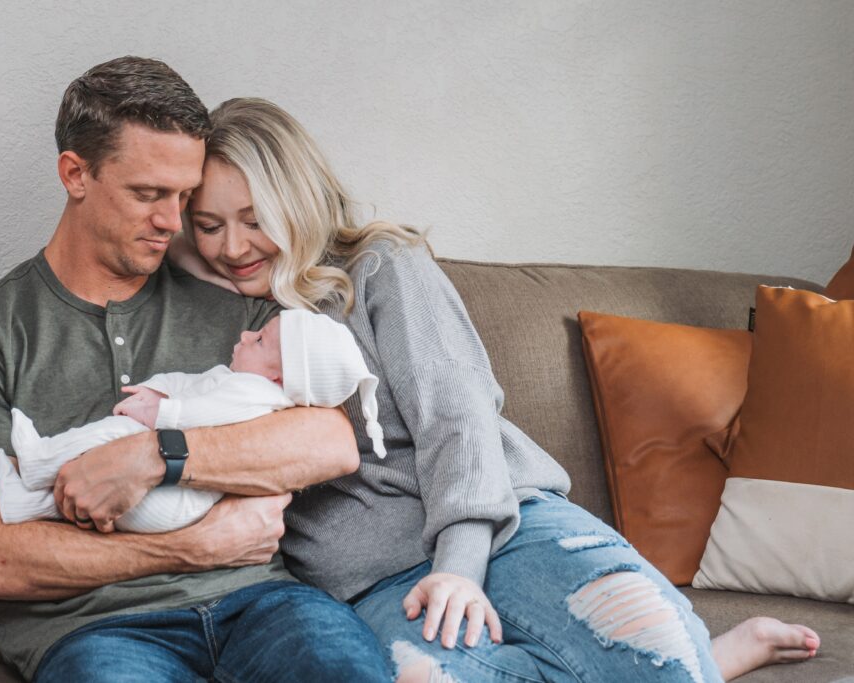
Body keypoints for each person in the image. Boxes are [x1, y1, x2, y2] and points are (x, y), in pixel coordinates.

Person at [169, 96, 822, 682]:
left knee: (653, 644)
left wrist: (458, 566)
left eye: (254, 219)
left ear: (296, 201)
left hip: (506, 526)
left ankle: (702, 657)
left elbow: (456, 417)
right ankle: (717, 661)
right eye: (209, 225)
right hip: (370, 580)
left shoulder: (379, 268)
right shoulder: (218, 324)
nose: (234, 247)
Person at [0, 57, 390, 683]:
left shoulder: (237, 306)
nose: (173, 222)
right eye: (148, 194)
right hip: (96, 631)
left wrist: (154, 455)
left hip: (263, 605)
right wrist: (189, 548)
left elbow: (330, 443)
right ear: (75, 174)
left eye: (184, 196)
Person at [0, 310, 387, 533]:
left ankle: (40, 460)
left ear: (279, 379)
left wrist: (159, 414)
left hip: (174, 499)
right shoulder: (240, 380)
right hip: (163, 500)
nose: (246, 334)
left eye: (260, 341)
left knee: (123, 433)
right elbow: (190, 384)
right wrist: (158, 390)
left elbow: (203, 414)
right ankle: (26, 504)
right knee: (87, 485)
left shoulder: (255, 394)